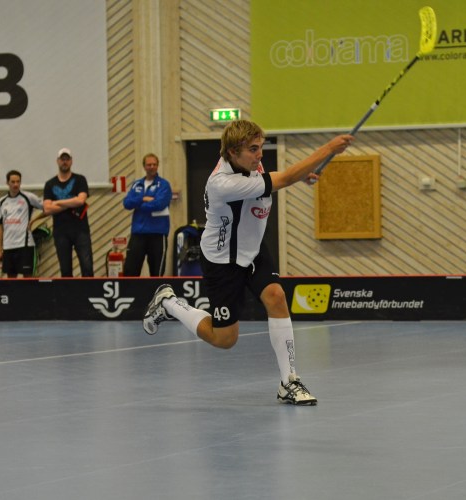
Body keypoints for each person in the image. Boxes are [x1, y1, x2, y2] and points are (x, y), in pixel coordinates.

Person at [142, 120, 353, 404]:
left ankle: (289, 381)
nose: (259, 154)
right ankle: (169, 303)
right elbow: (284, 178)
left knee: (276, 296)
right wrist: (329, 148)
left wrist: (302, 175)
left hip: (252, 250)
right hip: (223, 260)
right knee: (224, 339)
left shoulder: (249, 164)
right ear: (233, 152)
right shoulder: (222, 183)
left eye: (261, 147)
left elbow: (279, 179)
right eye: (253, 149)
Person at [43, 148, 94, 277]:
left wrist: (57, 202)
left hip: (80, 230)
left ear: (71, 161)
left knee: (87, 267)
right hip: (61, 232)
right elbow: (47, 209)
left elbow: (81, 201)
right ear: (57, 161)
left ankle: (89, 290)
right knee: (65, 270)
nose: (64, 162)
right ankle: (67, 291)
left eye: (67, 159)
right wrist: (72, 202)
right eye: (62, 159)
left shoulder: (80, 180)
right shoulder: (50, 184)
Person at [122, 153, 172, 276]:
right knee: (130, 271)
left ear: (158, 166)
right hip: (138, 233)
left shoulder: (164, 185)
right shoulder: (137, 184)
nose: (152, 167)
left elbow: (159, 204)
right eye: (149, 165)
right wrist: (143, 198)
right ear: (144, 166)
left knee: (156, 272)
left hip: (157, 233)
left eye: (154, 164)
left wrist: (138, 204)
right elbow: (127, 203)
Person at [0, 170, 44, 278]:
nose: (16, 184)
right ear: (7, 183)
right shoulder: (2, 202)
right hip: (8, 247)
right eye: (13, 182)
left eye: (18, 181)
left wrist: (34, 219)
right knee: (11, 281)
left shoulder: (28, 197)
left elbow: (47, 208)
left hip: (25, 246)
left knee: (27, 280)